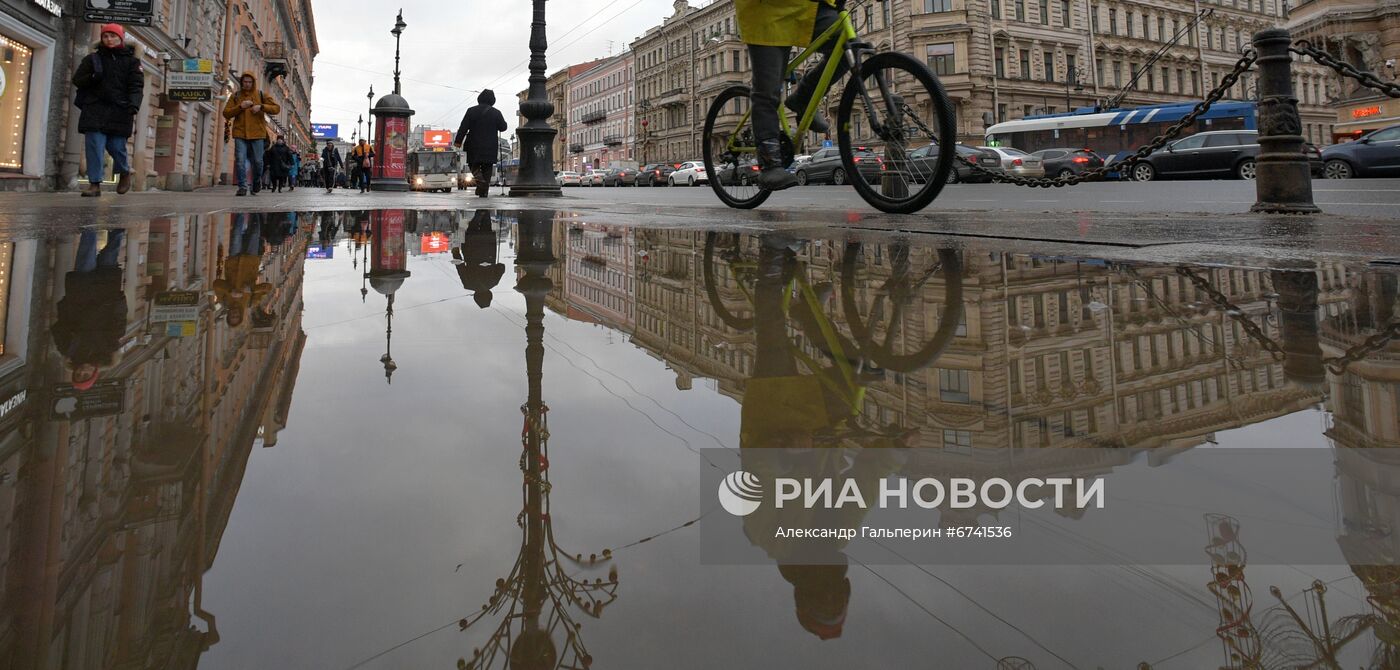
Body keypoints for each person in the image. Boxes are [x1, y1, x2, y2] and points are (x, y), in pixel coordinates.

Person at [736, 0, 846, 191]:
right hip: (766, 12)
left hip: (807, 6)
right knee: (768, 90)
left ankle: (804, 98)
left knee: (846, 45)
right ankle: (769, 164)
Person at [71, 24, 144, 198]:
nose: (109, 39)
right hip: (95, 107)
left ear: (120, 38)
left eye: (113, 36)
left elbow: (136, 86)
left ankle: (124, 172)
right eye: (105, 36)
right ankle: (94, 184)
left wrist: (133, 105)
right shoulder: (93, 59)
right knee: (94, 145)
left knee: (116, 147)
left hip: (120, 109)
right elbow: (77, 79)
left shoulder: (132, 61)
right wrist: (93, 77)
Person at [52, 229, 128, 390]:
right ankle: (118, 229)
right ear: (94, 374)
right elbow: (119, 321)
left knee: (86, 253)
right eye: (85, 376)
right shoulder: (109, 351)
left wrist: (66, 304)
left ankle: (90, 224)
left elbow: (58, 327)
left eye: (77, 375)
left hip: (81, 292)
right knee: (110, 253)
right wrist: (119, 299)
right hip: (107, 294)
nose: (81, 372)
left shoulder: (68, 351)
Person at [222, 73, 280, 196]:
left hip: (257, 133)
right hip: (240, 133)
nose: (247, 84)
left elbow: (276, 108)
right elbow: (226, 113)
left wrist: (261, 107)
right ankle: (242, 186)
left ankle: (256, 181)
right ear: (242, 82)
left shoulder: (260, 95)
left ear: (253, 83)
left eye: (250, 82)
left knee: (258, 161)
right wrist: (240, 107)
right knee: (240, 160)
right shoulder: (236, 96)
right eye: (245, 82)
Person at [454, 90, 508, 198]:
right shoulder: (496, 112)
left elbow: (463, 127)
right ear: (493, 100)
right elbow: (503, 127)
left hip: (473, 145)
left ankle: (481, 183)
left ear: (480, 98)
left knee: (473, 165)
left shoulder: (471, 111)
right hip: (490, 146)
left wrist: (458, 142)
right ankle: (484, 192)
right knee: (487, 168)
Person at [453, 210, 506, 307]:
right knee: (472, 229)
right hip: (471, 251)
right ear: (476, 296)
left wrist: (495, 267)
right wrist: (456, 254)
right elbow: (460, 267)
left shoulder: (494, 282)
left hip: (488, 249)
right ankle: (478, 214)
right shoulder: (468, 284)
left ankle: (485, 211)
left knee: (486, 226)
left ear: (489, 295)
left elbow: (502, 267)